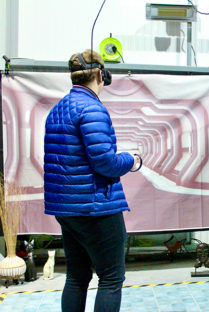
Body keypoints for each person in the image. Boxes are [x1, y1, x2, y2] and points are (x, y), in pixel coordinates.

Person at [43, 49, 141, 312]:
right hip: (95, 208)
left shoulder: (58, 110)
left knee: (77, 277)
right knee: (111, 279)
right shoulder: (92, 109)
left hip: (67, 209)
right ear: (101, 74)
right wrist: (130, 160)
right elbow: (105, 163)